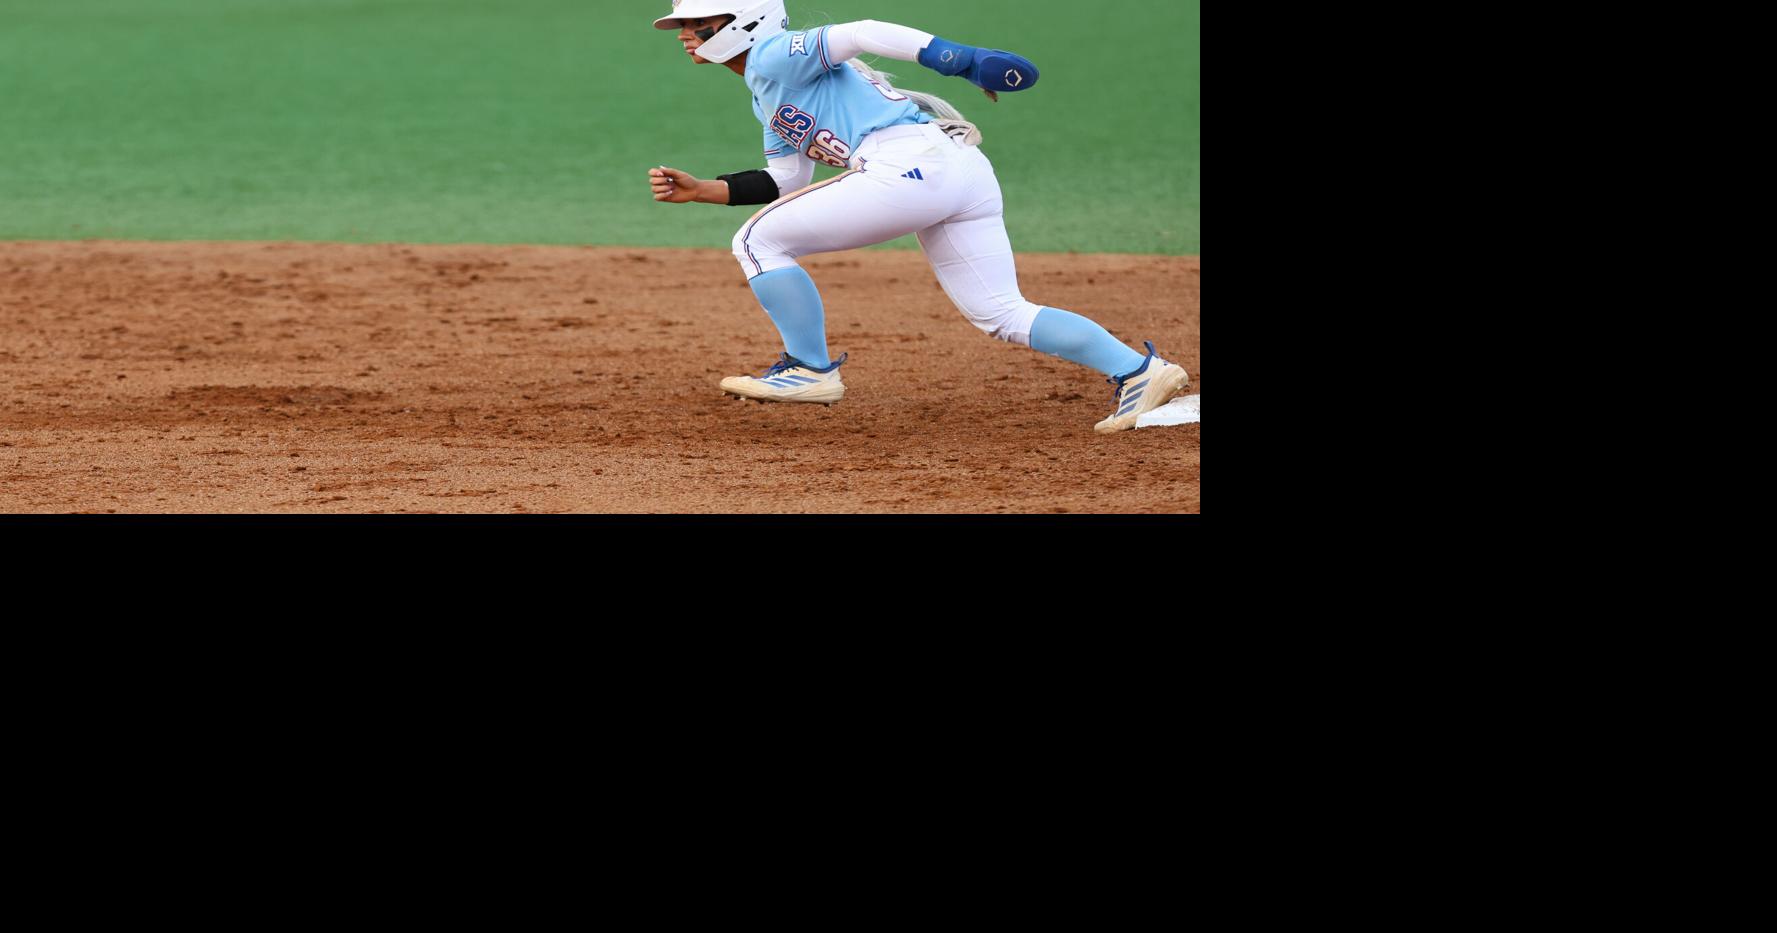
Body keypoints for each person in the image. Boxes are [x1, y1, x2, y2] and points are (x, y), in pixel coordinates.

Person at [647, 1, 1189, 433]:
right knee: (1000, 311)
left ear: (743, 21)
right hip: (956, 170)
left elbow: (860, 31)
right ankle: (1140, 371)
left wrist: (962, 58)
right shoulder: (766, 95)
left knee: (755, 241)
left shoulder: (771, 53)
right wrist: (703, 191)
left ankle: (809, 369)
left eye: (697, 22)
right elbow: (785, 181)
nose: (684, 33)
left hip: (907, 164)